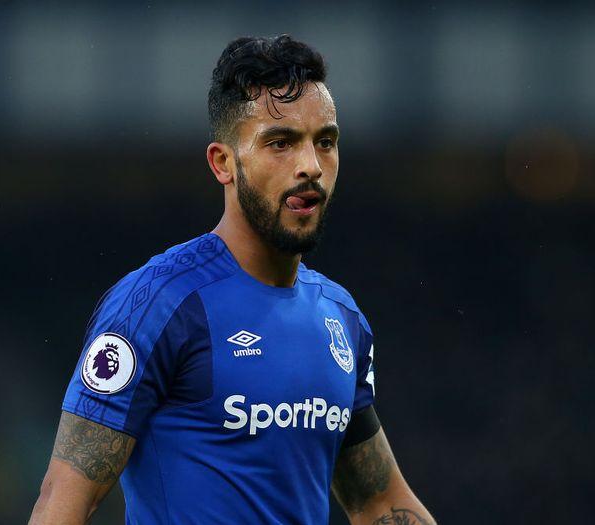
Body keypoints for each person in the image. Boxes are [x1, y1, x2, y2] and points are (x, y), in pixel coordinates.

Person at [29, 34, 436, 525]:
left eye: (325, 142)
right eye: (281, 143)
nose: (310, 166)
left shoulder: (341, 319)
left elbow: (380, 503)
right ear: (223, 163)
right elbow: (65, 499)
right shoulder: (157, 304)